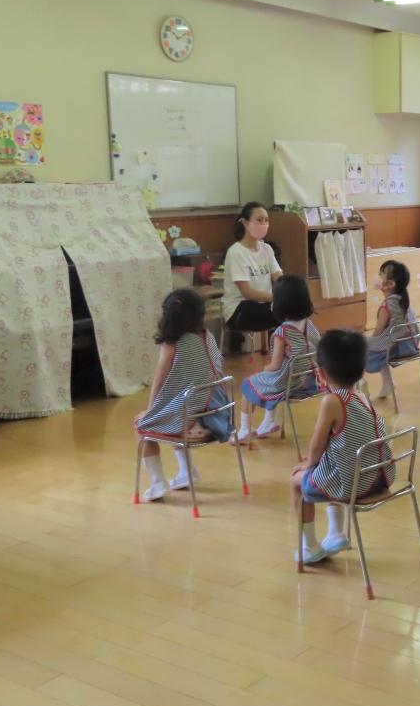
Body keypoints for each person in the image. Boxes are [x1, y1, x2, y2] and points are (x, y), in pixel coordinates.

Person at [289, 330, 393, 564]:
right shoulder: (362, 397)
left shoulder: (332, 401)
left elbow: (317, 443)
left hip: (354, 484)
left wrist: (309, 464)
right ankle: (336, 533)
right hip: (379, 476)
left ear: (322, 374)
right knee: (331, 466)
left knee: (296, 481)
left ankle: (310, 546)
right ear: (362, 370)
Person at [134, 289, 229, 501]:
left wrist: (149, 411)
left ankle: (158, 483)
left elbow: (159, 381)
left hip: (193, 426)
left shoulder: (172, 343)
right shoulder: (208, 337)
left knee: (142, 426)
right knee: (174, 412)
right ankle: (188, 472)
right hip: (218, 417)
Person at [238, 274, 321, 442]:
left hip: (292, 384)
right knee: (270, 379)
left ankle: (245, 429)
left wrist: (266, 368)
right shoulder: (309, 324)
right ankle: (269, 421)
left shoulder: (282, 332)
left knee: (249, 383)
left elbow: (275, 365)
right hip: (312, 380)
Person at [221, 202, 283, 344]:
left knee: (295, 311)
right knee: (284, 314)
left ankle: (294, 353)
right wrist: (279, 299)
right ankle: (281, 355)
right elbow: (248, 293)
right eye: (259, 220)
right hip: (239, 309)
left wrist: (291, 293)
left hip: (264, 303)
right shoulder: (236, 252)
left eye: (266, 220)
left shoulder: (267, 249)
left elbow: (279, 278)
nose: (264, 224)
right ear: (245, 222)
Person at [365, 260, 418, 399]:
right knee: (380, 348)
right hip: (410, 345)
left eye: (381, 274)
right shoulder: (402, 300)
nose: (377, 277)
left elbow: (378, 332)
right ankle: (388, 383)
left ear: (390, 284)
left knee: (358, 346)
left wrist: (368, 341)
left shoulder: (387, 305)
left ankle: (360, 384)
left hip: (398, 347)